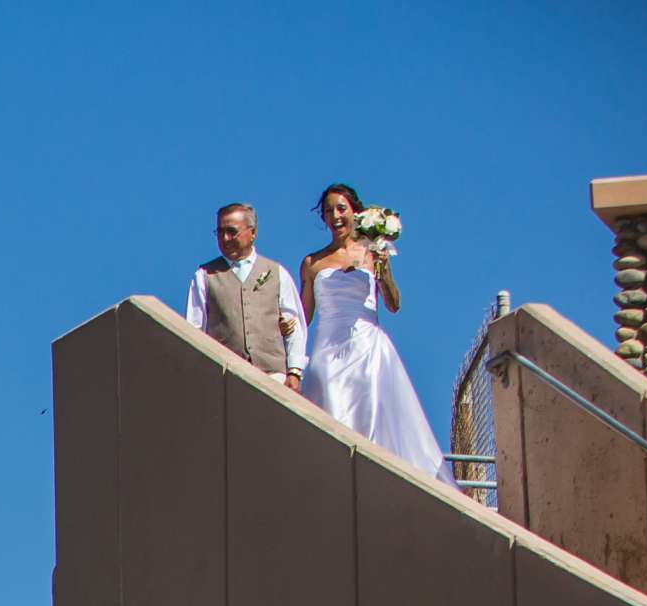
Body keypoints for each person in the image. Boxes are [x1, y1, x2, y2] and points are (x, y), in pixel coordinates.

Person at [297, 183, 452, 482]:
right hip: (328, 351)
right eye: (329, 211)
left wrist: (384, 270)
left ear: (355, 212)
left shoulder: (373, 253)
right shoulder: (312, 263)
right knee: (331, 412)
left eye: (341, 209)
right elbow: (304, 316)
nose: (335, 216)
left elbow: (393, 304)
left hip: (367, 348)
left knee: (371, 421)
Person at [184, 203, 308, 391]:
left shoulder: (276, 272)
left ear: (253, 233)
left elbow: (294, 323)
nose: (225, 239)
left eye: (232, 232)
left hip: (273, 376)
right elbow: (194, 329)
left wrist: (294, 371)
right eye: (220, 232)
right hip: (225, 378)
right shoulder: (204, 276)